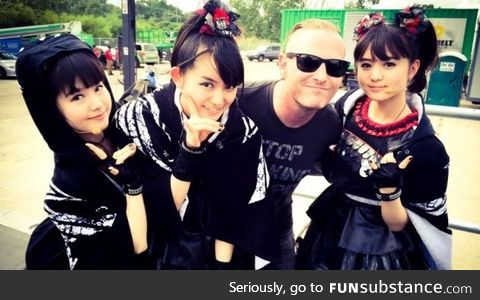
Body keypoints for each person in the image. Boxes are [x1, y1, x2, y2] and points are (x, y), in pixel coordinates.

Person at [114, 0, 279, 269]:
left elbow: (234, 211)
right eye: (207, 84)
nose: (219, 100)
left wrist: (221, 269)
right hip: (155, 249)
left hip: (215, 250)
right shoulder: (140, 119)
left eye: (230, 86)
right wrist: (190, 149)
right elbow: (156, 208)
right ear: (178, 76)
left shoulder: (243, 132)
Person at [297, 6, 451, 270]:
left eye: (389, 64)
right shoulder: (346, 108)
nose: (375, 76)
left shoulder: (425, 149)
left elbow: (400, 224)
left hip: (381, 253)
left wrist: (389, 189)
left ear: (413, 68)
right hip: (328, 227)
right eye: (366, 65)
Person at [16, 33, 152, 269]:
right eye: (77, 96)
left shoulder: (127, 131)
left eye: (98, 87)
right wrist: (133, 186)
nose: (97, 104)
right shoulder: (68, 185)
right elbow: (134, 247)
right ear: (51, 109)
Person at [238, 19, 348, 269]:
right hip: (221, 228)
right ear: (282, 64)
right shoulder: (240, 103)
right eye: (307, 62)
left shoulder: (331, 125)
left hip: (277, 231)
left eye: (335, 67)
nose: (321, 76)